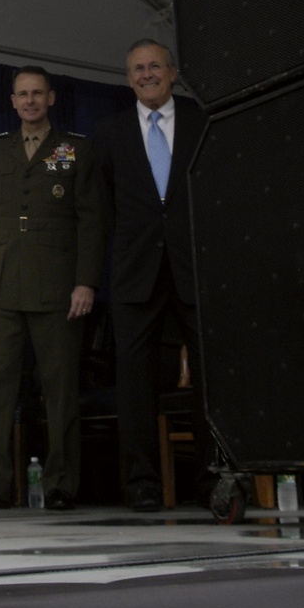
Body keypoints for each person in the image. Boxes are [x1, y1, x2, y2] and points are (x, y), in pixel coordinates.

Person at [0, 67, 106, 511]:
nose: (29, 101)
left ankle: (62, 484)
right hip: (1, 284)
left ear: (51, 98)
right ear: (12, 101)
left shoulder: (70, 148)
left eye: (37, 94)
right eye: (22, 94)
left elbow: (91, 220)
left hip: (56, 285)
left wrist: (86, 281)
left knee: (60, 390)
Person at [94, 39, 209, 511]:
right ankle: (142, 483)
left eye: (154, 67)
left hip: (194, 267)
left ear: (173, 72)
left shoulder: (203, 121)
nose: (146, 75)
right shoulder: (109, 130)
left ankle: (213, 478)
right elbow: (100, 206)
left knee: (209, 375)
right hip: (134, 272)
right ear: (128, 79)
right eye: (137, 69)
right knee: (135, 381)